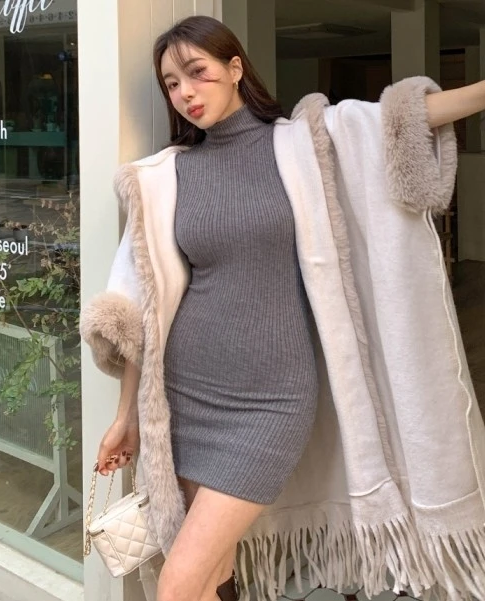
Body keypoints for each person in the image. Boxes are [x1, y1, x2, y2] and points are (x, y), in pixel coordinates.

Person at [81, 15, 485, 601]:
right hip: (188, 398)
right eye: (171, 83)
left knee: (176, 586)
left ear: (234, 68)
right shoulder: (167, 176)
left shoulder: (303, 145)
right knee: (212, 576)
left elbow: (401, 120)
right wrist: (127, 417)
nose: (185, 92)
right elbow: (143, 309)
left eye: (197, 72)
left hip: (272, 403)